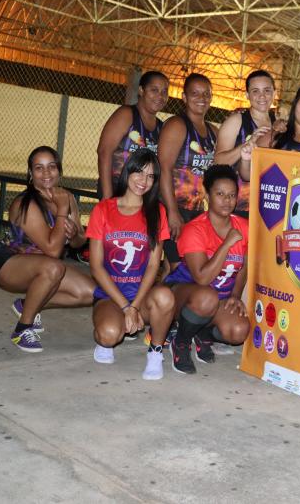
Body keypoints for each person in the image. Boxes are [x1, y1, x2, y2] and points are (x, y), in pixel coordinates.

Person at [0, 146, 95, 352]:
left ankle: (27, 304)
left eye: (51, 167)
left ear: (59, 170)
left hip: (43, 263)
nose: (46, 174)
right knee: (53, 267)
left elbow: (79, 242)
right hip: (8, 263)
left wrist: (74, 235)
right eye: (39, 168)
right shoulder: (25, 204)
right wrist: (63, 211)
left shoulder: (67, 197)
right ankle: (22, 329)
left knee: (90, 293)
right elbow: (53, 251)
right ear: (30, 173)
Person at [88, 149, 175, 380]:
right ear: (128, 172)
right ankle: (110, 330)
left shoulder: (157, 212)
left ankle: (156, 352)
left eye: (150, 176)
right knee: (108, 336)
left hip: (142, 296)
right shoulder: (103, 209)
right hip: (110, 294)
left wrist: (135, 306)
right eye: (139, 172)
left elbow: (153, 265)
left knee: (165, 296)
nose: (143, 181)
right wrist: (125, 307)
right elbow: (96, 266)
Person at [164, 165, 250, 371]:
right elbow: (202, 278)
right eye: (220, 194)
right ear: (207, 194)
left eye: (231, 195)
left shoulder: (244, 227)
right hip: (184, 294)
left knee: (238, 331)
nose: (227, 200)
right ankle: (181, 342)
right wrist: (227, 244)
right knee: (206, 296)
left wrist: (236, 296)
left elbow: (244, 266)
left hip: (217, 298)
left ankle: (201, 332)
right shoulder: (195, 229)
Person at [157, 73, 216, 268]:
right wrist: (172, 212)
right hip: (173, 207)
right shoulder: (177, 125)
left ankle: (161, 298)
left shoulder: (213, 131)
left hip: (197, 210)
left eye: (206, 93)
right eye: (195, 93)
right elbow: (163, 169)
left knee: (174, 268)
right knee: (181, 268)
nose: (202, 98)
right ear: (184, 97)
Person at [214, 69, 285, 216]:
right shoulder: (236, 121)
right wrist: (247, 144)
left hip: (268, 202)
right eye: (255, 91)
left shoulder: (279, 124)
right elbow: (217, 161)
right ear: (247, 95)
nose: (262, 96)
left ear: (274, 93)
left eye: (267, 90)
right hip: (238, 203)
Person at [97, 70, 169, 199]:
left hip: (142, 193)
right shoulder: (126, 114)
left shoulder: (161, 127)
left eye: (164, 92)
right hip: (117, 189)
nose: (160, 96)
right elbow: (104, 151)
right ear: (141, 90)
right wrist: (107, 195)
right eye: (154, 90)